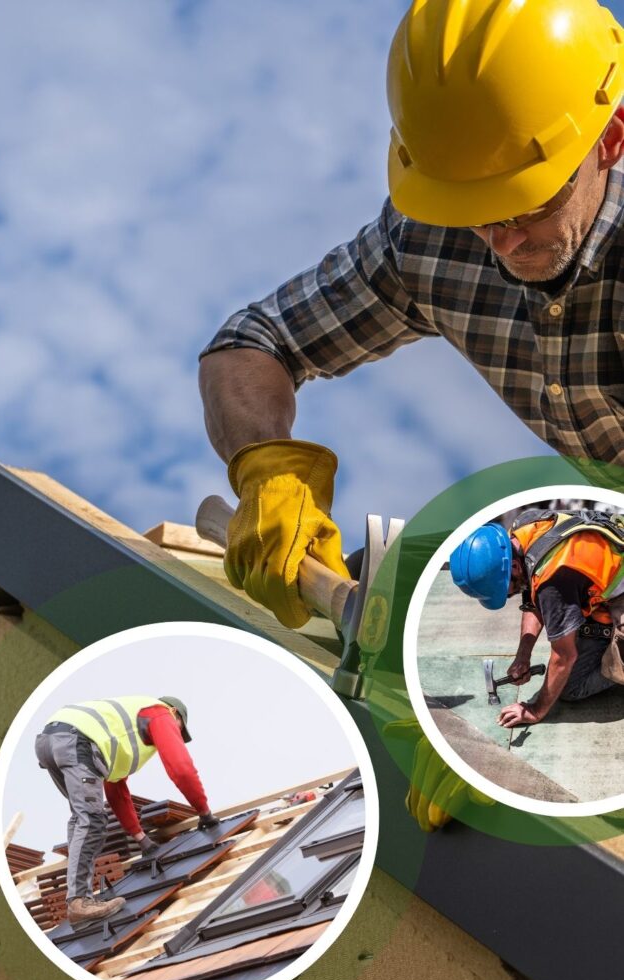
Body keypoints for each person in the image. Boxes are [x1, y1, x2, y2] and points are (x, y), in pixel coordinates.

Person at [198, 0, 624, 631]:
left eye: (523, 203)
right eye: (471, 206)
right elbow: (252, 342)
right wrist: (269, 474)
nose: (500, 240)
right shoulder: (430, 239)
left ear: (611, 140)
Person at [35, 695, 219, 925]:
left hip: (51, 740)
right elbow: (181, 769)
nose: (177, 736)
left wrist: (141, 839)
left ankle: (77, 900)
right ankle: (79, 902)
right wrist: (204, 813)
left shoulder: (118, 737)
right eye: (180, 730)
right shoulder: (160, 713)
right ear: (175, 713)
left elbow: (116, 791)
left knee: (82, 817)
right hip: (75, 740)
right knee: (91, 820)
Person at [450, 510, 624, 726]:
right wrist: (523, 655)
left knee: (571, 687)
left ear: (513, 567)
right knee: (567, 621)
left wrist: (535, 710)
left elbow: (564, 657)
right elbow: (533, 597)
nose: (508, 594)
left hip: (614, 592)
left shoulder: (555, 579)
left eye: (506, 588)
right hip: (604, 578)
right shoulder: (522, 529)